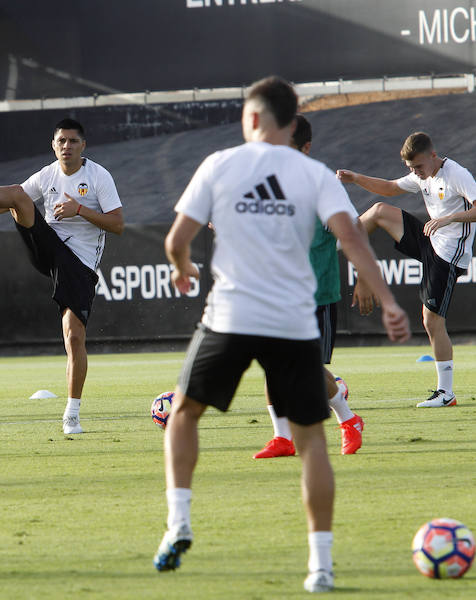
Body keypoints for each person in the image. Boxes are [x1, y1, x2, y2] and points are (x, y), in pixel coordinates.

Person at [154, 76, 410, 593]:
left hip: (229, 315)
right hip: (292, 321)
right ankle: (321, 566)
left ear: (248, 118)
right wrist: (386, 302)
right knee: (312, 440)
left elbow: (176, 240)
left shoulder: (219, 164)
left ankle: (178, 522)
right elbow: (354, 239)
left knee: (184, 413)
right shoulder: (314, 174)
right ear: (293, 125)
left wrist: (181, 268)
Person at [0, 118, 124, 434]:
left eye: (72, 141)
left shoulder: (98, 177)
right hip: (48, 248)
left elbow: (118, 224)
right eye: (61, 142)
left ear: (83, 146)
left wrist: (79, 210)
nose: (66, 146)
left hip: (79, 264)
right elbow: (7, 202)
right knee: (18, 195)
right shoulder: (47, 174)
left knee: (74, 336)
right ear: (54, 146)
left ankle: (72, 414)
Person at [337, 132, 476, 407]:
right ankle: (334, 245)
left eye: (419, 167)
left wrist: (449, 218)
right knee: (378, 211)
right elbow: (390, 187)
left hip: (448, 255)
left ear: (433, 156)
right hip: (429, 238)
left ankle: (446, 393)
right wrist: (357, 179)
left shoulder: (456, 174)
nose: (416, 173)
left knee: (431, 321)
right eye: (411, 169)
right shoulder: (422, 174)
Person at [254, 114, 365, 459]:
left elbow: (354, 231)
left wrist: (363, 276)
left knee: (306, 369)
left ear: (305, 148)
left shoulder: (323, 186)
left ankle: (348, 420)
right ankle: (282, 437)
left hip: (316, 295)